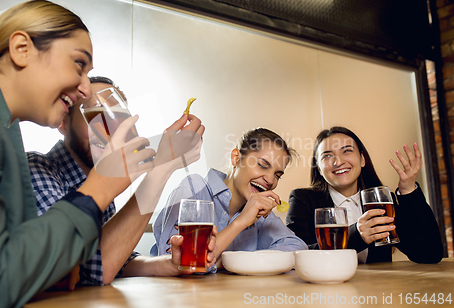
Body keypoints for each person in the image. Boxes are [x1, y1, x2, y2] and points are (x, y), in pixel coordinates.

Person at [0, 0, 211, 308]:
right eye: (79, 64)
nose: (84, 88)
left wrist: (165, 264)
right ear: (21, 48)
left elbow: (100, 263)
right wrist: (105, 184)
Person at [28, 76, 201, 285]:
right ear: (63, 122)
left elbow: (118, 258)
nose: (111, 130)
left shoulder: (98, 179)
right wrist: (161, 169)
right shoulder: (36, 169)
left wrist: (169, 264)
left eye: (118, 118)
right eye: (95, 113)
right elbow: (90, 270)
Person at [152, 128, 308, 268]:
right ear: (236, 158)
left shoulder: (260, 212)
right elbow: (179, 263)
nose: (270, 180)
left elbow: (296, 247)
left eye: (277, 175)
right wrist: (241, 222)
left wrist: (227, 262)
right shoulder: (194, 188)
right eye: (262, 165)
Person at [286, 126, 443, 264]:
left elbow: (430, 254)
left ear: (362, 159)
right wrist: (356, 235)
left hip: (379, 295)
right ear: (319, 168)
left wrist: (408, 190)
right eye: (327, 155)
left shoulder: (381, 201)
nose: (338, 161)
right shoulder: (303, 199)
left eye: (347, 151)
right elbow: (296, 255)